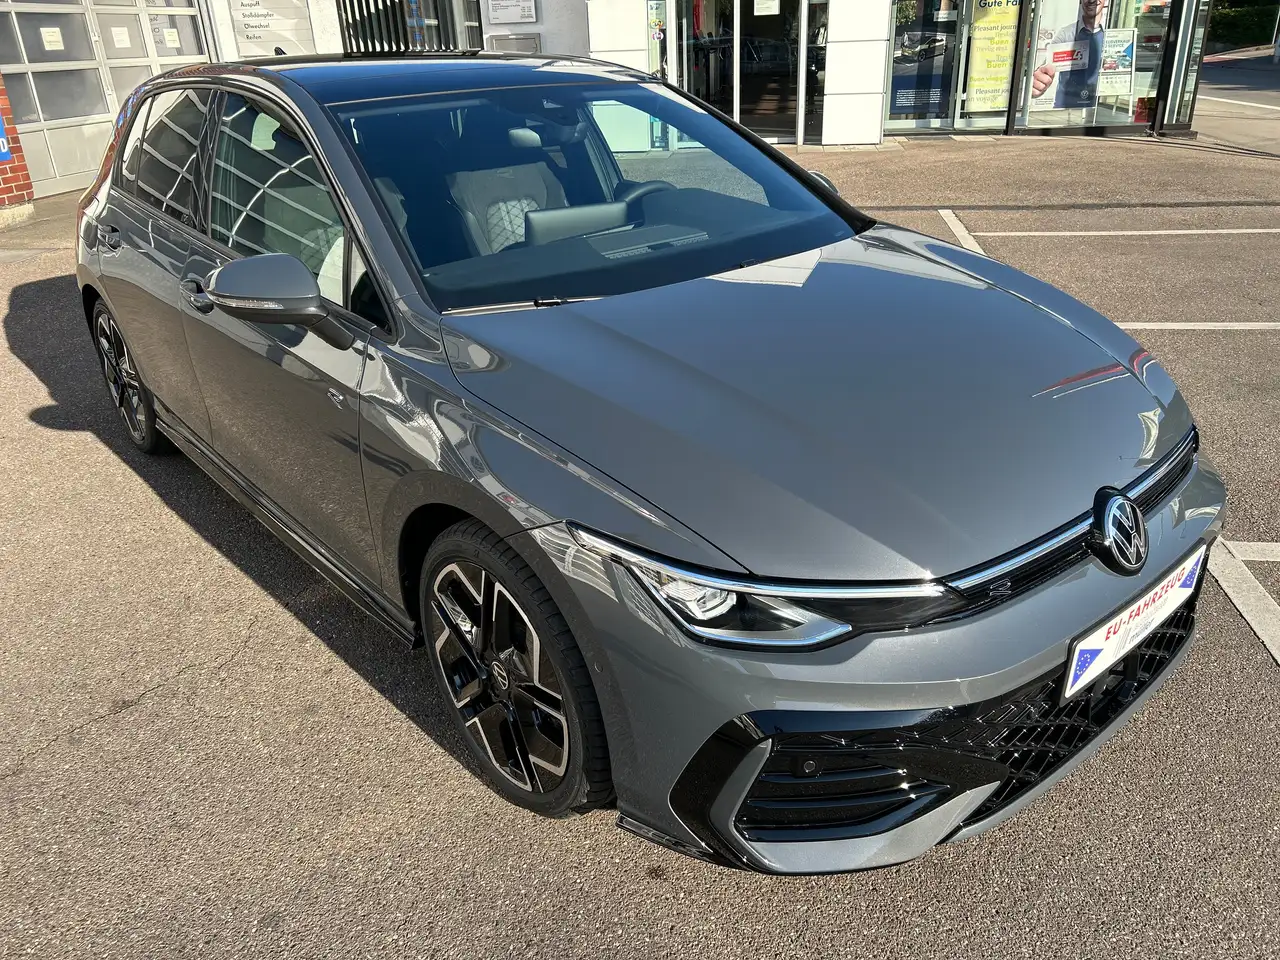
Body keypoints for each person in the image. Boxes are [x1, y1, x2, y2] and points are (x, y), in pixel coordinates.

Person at [1030, 0, 1108, 108]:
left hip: (1099, 110)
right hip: (1065, 108)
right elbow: (1045, 65)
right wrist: (1037, 83)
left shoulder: (1111, 35)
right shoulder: (1066, 33)